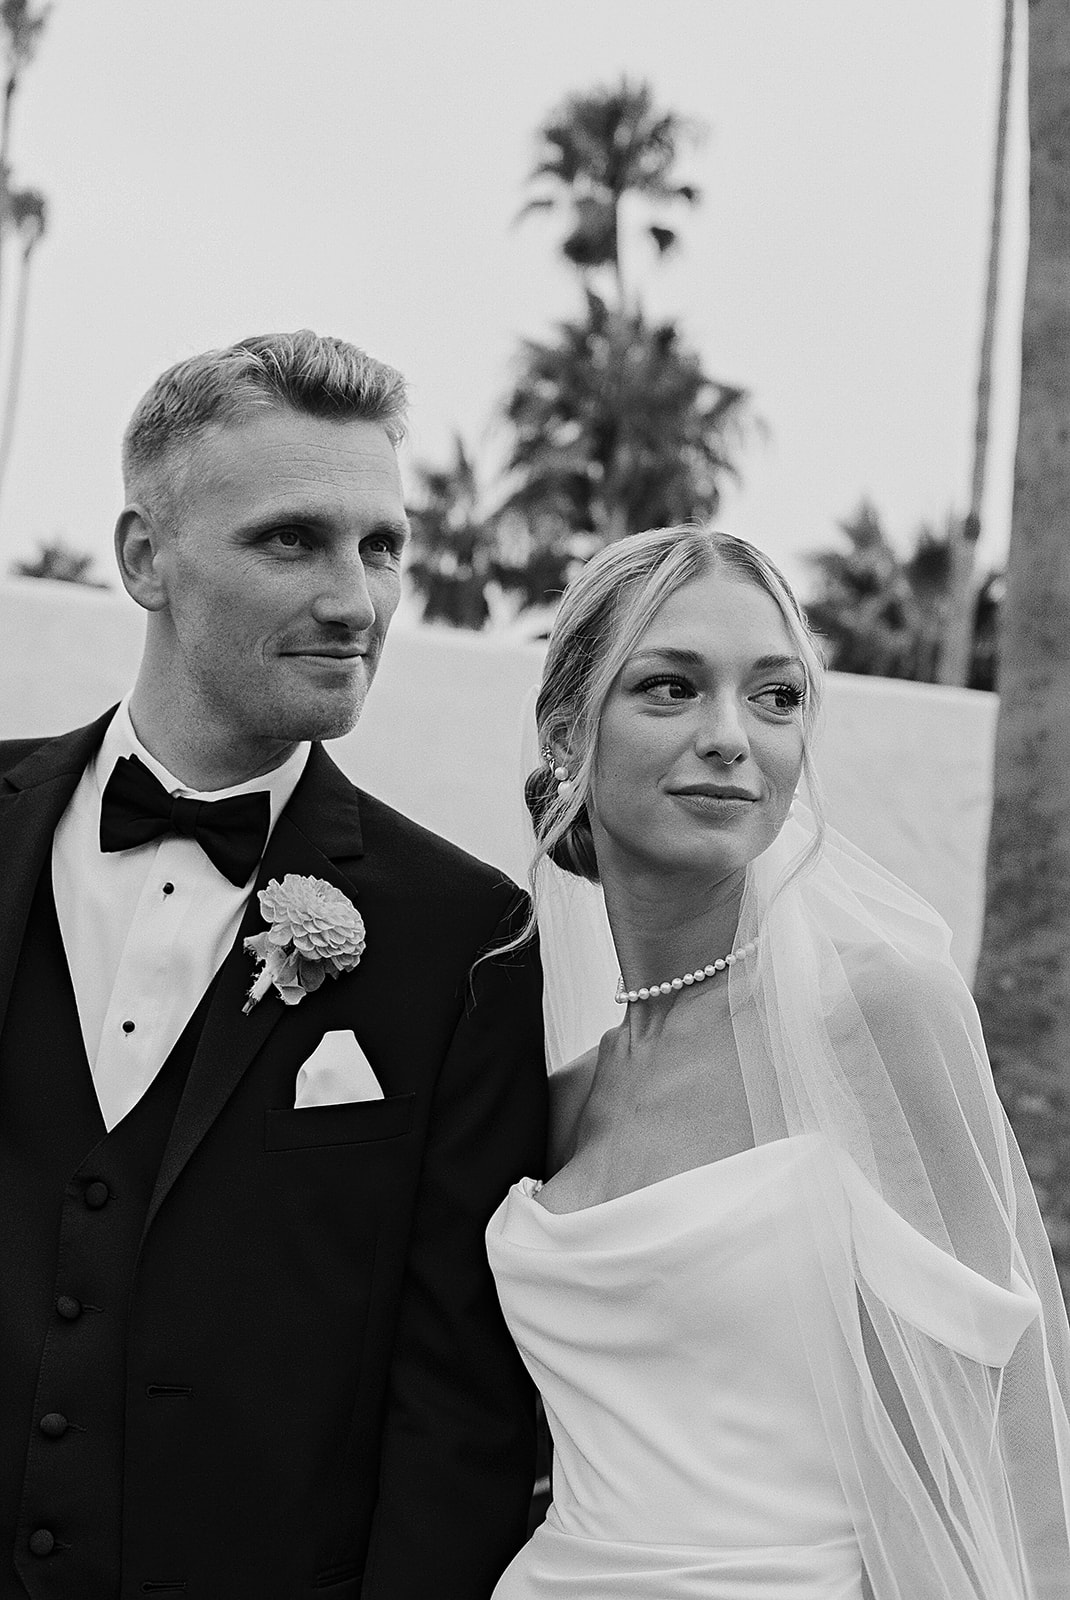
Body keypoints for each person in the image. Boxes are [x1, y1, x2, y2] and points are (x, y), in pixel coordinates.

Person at [0, 330, 547, 1599]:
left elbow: (458, 1413)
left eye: (382, 546)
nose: (357, 600)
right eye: (292, 539)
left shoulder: (466, 944)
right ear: (146, 559)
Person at [486, 525, 1070, 1600]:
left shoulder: (875, 1014)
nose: (728, 735)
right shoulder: (557, 1096)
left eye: (774, 696)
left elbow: (1004, 1423)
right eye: (668, 688)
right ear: (568, 728)